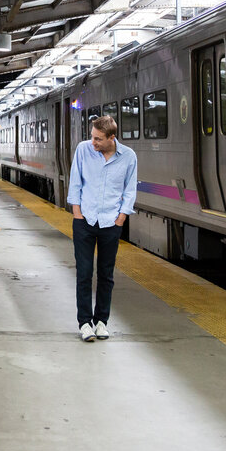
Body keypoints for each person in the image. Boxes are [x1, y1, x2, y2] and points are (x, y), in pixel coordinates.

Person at [67, 115, 136, 342]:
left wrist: (121, 218)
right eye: (92, 137)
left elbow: (129, 190)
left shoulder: (128, 157)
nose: (93, 142)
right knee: (84, 274)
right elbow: (75, 182)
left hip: (110, 224)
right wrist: (77, 214)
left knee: (106, 275)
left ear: (111, 138)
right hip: (85, 221)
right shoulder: (83, 150)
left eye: (98, 139)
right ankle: (85, 323)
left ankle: (101, 322)